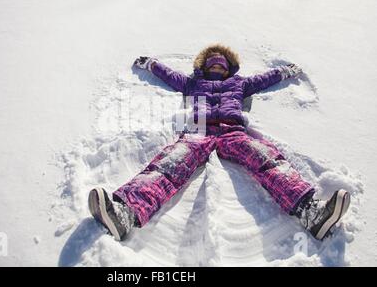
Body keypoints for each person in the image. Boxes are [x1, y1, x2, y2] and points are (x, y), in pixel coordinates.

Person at [88, 43, 350, 242]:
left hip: (232, 131)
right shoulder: (193, 83)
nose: (217, 68)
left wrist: (284, 72)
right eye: (213, 65)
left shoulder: (239, 84)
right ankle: (125, 214)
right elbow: (169, 75)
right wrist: (151, 65)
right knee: (169, 165)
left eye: (221, 65)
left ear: (229, 68)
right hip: (198, 131)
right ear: (204, 66)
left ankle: (311, 213)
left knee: (266, 159)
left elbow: (263, 79)